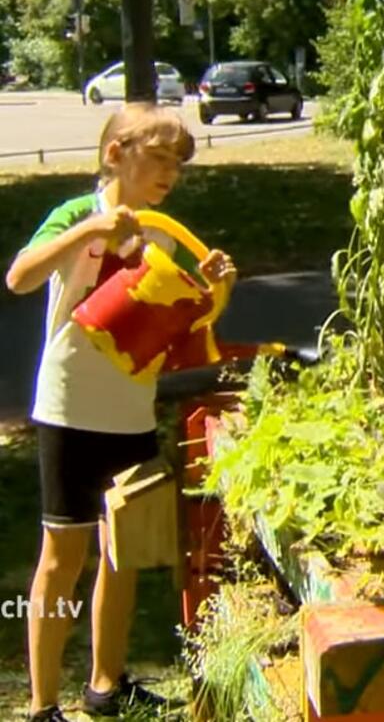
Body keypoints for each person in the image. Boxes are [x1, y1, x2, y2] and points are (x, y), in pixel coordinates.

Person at [5, 103, 237, 721]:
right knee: (63, 559)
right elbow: (20, 278)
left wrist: (213, 287)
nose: (169, 173)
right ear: (116, 154)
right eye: (158, 158)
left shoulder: (162, 234)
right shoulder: (77, 215)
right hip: (70, 407)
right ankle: (42, 704)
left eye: (178, 164)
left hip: (131, 413)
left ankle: (105, 686)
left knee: (124, 550)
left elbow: (182, 326)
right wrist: (90, 232)